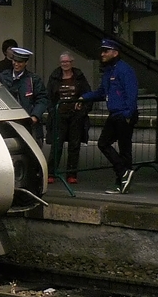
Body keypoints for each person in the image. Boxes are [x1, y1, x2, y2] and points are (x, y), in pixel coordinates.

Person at [82, 39, 140, 194]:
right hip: (115, 113)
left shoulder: (124, 70)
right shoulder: (109, 71)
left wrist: (128, 114)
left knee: (123, 149)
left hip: (123, 114)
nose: (102, 54)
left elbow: (132, 93)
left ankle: (121, 181)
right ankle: (123, 174)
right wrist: (84, 97)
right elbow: (102, 92)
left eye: (106, 51)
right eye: (102, 51)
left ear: (115, 52)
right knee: (104, 143)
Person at [45, 53, 91, 184]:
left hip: (76, 116)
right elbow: (48, 96)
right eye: (62, 62)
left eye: (67, 61)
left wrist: (83, 108)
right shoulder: (54, 77)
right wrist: (52, 111)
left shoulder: (79, 76)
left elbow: (87, 93)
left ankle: (72, 174)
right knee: (56, 145)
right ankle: (51, 173)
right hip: (59, 116)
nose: (65, 64)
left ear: (72, 62)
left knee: (74, 145)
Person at [0, 47, 49, 143]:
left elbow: (42, 99)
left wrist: (35, 116)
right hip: (8, 124)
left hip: (29, 125)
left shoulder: (33, 79)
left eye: (20, 62)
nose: (16, 64)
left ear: (26, 63)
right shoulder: (3, 77)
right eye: (14, 61)